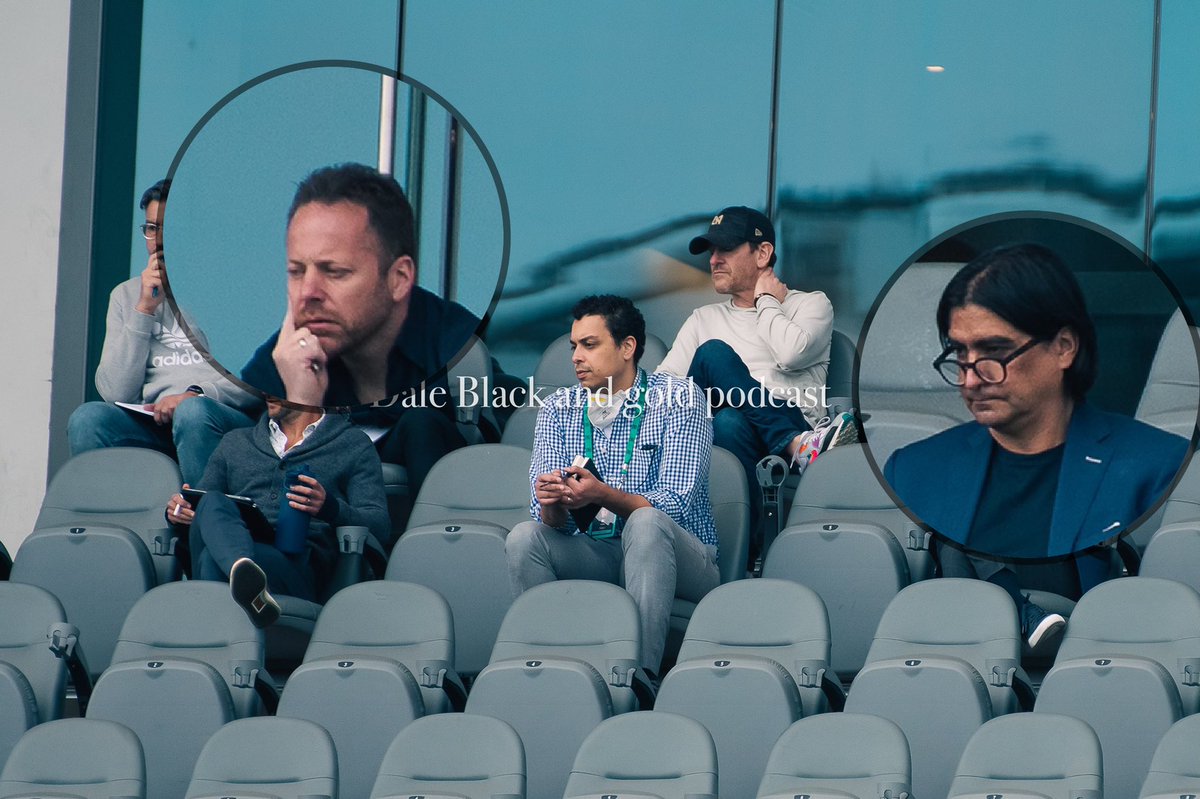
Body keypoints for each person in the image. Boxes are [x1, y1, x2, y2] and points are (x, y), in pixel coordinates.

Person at [883, 243, 1189, 645]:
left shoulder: (1159, 466)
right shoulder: (912, 470)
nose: (970, 379)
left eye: (994, 352)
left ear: (1063, 347)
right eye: (960, 353)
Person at [240, 163, 482, 498]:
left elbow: (473, 418)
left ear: (398, 279)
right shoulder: (292, 349)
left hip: (432, 533)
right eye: (296, 271)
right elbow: (240, 430)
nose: (307, 293)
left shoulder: (455, 341)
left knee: (422, 423)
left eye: (334, 271)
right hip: (314, 537)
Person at [506, 294, 720, 673]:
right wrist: (553, 501)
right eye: (574, 346)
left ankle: (635, 680)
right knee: (524, 537)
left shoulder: (680, 398)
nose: (575, 357)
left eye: (589, 345)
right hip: (601, 552)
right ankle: (552, 670)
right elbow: (552, 523)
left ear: (627, 347)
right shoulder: (558, 408)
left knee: (647, 522)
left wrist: (602, 494)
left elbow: (674, 505)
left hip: (681, 555)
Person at [657, 206, 857, 536]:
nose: (713, 260)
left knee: (717, 373)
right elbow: (665, 392)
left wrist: (766, 301)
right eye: (711, 251)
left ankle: (748, 542)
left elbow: (791, 353)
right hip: (721, 439)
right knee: (724, 405)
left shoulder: (810, 305)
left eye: (726, 249)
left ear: (763, 253)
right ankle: (798, 446)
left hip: (793, 415)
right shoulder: (703, 318)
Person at [67, 179, 256, 484]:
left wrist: (195, 394)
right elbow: (115, 392)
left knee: (192, 414)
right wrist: (143, 310)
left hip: (216, 418)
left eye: (167, 229)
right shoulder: (126, 296)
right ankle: (112, 527)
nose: (157, 240)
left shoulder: (229, 291)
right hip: (152, 422)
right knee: (88, 419)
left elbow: (255, 381)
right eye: (151, 229)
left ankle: (200, 525)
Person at [166, 396, 388, 624]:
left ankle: (238, 587)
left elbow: (379, 525)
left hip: (295, 565)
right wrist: (178, 512)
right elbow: (200, 507)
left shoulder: (353, 444)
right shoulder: (235, 441)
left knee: (211, 561)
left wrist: (329, 507)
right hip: (239, 545)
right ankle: (244, 574)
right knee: (211, 502)